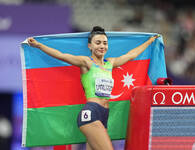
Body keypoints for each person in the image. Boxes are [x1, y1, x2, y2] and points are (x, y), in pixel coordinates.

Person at [27, 26, 159, 150]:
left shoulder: (110, 63)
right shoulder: (86, 62)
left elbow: (131, 55)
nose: (102, 46)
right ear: (90, 46)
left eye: (105, 43)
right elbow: (61, 55)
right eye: (98, 43)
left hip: (104, 115)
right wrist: (39, 45)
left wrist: (150, 41)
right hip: (91, 113)